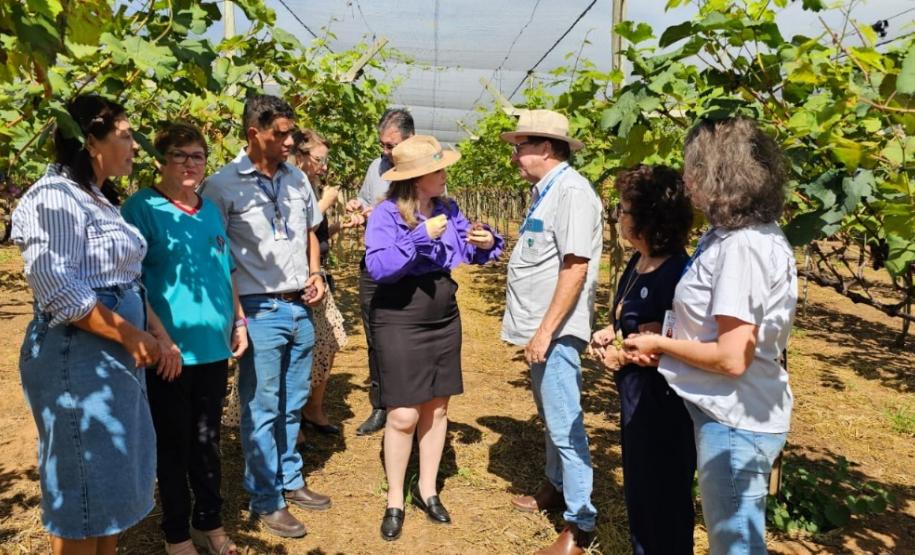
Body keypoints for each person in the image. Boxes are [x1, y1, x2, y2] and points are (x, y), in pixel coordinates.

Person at [623, 118, 797, 555]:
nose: (686, 178)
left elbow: (732, 357)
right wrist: (660, 334)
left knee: (734, 545)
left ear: (719, 174)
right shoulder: (730, 236)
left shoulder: (744, 249)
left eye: (693, 168)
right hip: (725, 415)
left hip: (736, 423)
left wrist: (661, 346)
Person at [12, 94, 174, 554]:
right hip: (77, 358)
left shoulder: (98, 198)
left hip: (109, 356)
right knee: (83, 492)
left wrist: (154, 332)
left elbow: (127, 280)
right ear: (91, 141)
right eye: (125, 136)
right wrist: (129, 333)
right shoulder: (53, 197)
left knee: (107, 486)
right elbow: (57, 287)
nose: (135, 147)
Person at [200, 94, 330, 539]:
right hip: (259, 308)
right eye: (281, 133)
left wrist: (316, 273)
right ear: (254, 133)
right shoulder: (222, 185)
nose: (290, 140)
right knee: (261, 406)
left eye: (292, 132)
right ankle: (265, 496)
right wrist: (237, 314)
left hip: (300, 305)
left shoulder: (296, 179)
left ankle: (289, 478)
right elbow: (217, 257)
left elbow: (311, 232)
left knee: (293, 401)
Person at [364, 135, 503, 541]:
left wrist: (487, 242)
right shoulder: (386, 214)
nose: (445, 175)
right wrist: (420, 236)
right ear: (418, 177)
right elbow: (381, 267)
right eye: (439, 170)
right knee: (403, 413)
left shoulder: (448, 209)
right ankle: (394, 498)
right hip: (399, 315)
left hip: (442, 315)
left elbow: (465, 250)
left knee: (437, 408)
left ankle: (427, 490)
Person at [121, 122, 248, 555]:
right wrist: (160, 338)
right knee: (173, 445)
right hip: (171, 353)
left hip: (213, 349)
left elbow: (225, 270)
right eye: (181, 155)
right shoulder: (141, 208)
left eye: (198, 155)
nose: (191, 164)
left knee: (208, 442)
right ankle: (176, 533)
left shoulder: (209, 208)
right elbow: (130, 280)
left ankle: (209, 522)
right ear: (161, 160)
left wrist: (239, 321)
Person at [500, 109, 602, 555]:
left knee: (565, 423)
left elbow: (575, 266)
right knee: (552, 417)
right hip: (544, 329)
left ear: (545, 148)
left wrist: (545, 332)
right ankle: (555, 486)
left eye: (521, 147)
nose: (515, 156)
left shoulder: (573, 194)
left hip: (557, 331)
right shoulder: (548, 192)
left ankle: (580, 525)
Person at [589, 165, 696, 554]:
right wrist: (610, 333)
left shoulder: (680, 274)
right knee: (640, 492)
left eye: (625, 209)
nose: (619, 215)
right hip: (635, 399)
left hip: (666, 406)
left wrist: (632, 353)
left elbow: (681, 343)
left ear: (648, 217)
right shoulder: (638, 262)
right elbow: (628, 319)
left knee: (665, 497)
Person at [345, 108, 415, 436]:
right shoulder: (377, 166)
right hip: (374, 264)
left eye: (392, 146)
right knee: (374, 335)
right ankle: (380, 405)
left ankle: (410, 403)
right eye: (382, 146)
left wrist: (387, 214)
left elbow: (433, 217)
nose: (386, 152)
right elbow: (363, 195)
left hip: (408, 268)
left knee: (407, 338)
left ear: (410, 140)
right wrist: (359, 207)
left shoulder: (425, 168)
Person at [291, 128, 350, 436]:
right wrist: (325, 204)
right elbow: (296, 231)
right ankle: (295, 419)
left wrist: (342, 224)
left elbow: (318, 235)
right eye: (319, 159)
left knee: (326, 346)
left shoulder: (310, 185)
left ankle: (312, 410)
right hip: (297, 282)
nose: (324, 166)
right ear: (299, 156)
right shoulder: (291, 185)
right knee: (302, 349)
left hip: (319, 275)